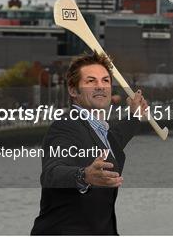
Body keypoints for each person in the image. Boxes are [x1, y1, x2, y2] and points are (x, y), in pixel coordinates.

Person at [31, 52, 147, 235]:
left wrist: (134, 116)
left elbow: (115, 139)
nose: (100, 86)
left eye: (105, 80)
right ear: (73, 91)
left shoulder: (99, 130)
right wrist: (83, 175)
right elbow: (52, 172)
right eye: (91, 81)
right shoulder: (65, 126)